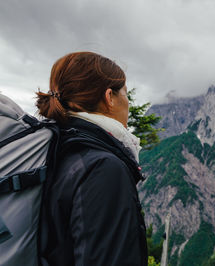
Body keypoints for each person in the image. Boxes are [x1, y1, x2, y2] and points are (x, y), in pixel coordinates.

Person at [36, 52, 148, 266]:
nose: (129, 102)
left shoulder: (57, 151)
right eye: (125, 94)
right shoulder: (102, 167)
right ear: (109, 98)